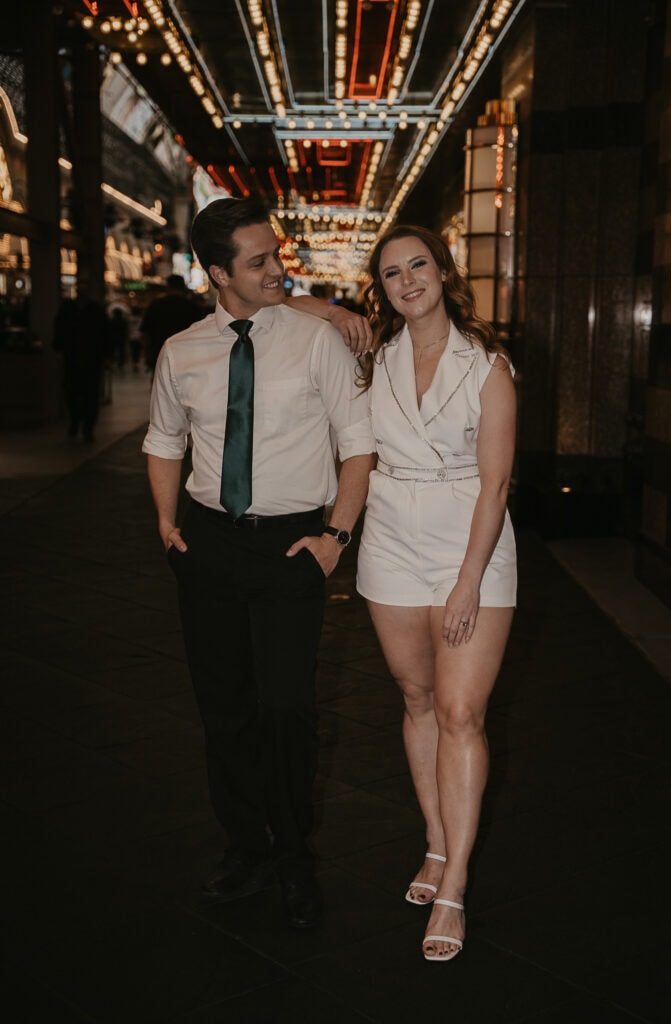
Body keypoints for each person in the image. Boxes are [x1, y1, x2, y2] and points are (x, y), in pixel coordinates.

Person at [142, 197, 375, 930]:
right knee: (226, 711)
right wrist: (165, 522)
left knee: (286, 709)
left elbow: (358, 444)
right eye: (258, 262)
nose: (278, 268)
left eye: (276, 255)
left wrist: (335, 537)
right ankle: (244, 849)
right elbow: (161, 439)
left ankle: (294, 855)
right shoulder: (182, 351)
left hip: (291, 545)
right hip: (208, 543)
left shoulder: (316, 340)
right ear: (217, 274)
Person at [355, 225, 517, 962]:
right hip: (389, 537)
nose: (407, 280)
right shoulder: (373, 358)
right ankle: (432, 840)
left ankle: (453, 882)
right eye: (391, 273)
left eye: (418, 264)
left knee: (460, 710)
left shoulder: (485, 365)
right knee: (416, 699)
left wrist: (466, 581)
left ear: (442, 272)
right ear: (380, 289)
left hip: (467, 541)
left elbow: (495, 483)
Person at [53, 279, 110, 442]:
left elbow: (104, 335)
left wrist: (105, 355)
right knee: (73, 391)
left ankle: (87, 426)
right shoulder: (69, 309)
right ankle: (76, 421)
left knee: (90, 394)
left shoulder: (95, 311)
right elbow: (60, 330)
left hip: (91, 358)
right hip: (74, 357)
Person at [140, 273, 203, 372]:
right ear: (183, 287)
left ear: (167, 287)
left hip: (160, 352)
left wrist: (147, 354)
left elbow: (145, 332)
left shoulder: (156, 306)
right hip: (186, 355)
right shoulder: (191, 307)